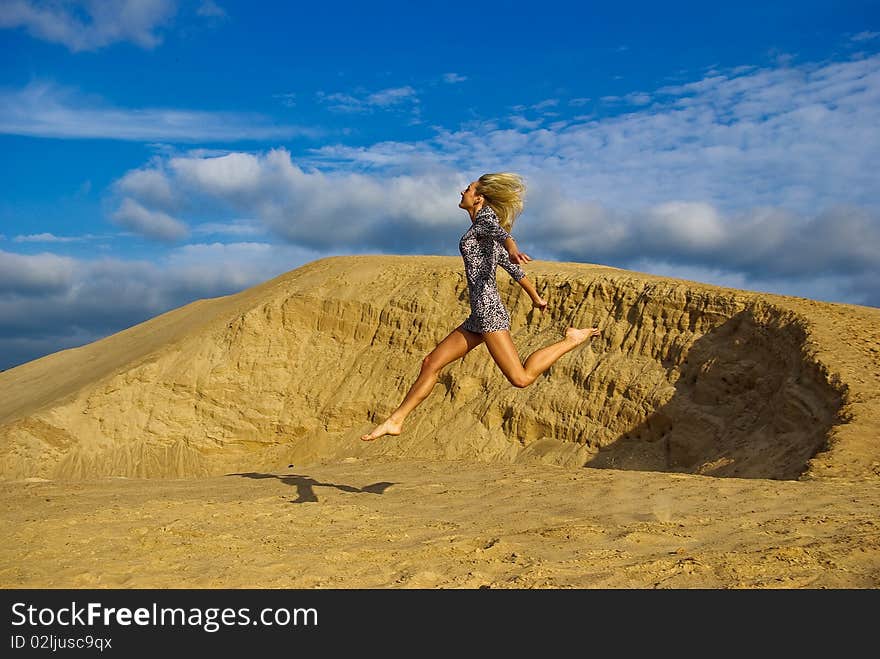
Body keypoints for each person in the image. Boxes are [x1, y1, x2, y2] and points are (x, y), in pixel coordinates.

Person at [360, 172, 601, 442]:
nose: (462, 192)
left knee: (520, 378)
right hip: (478, 314)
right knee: (430, 363)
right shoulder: (479, 229)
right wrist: (535, 297)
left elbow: (503, 238)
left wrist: (512, 246)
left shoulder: (486, 220)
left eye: (468, 189)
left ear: (479, 198)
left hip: (489, 312)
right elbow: (511, 267)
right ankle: (396, 420)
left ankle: (571, 339)